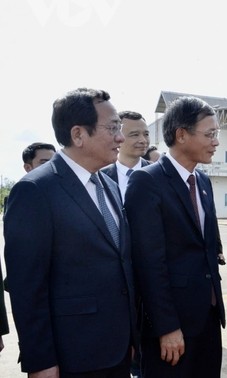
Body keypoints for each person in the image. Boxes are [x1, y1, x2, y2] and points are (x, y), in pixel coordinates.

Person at [4, 88, 137, 376]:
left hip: (118, 350)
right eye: (113, 127)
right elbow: (27, 288)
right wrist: (41, 362)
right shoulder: (35, 191)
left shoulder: (109, 185)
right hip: (72, 357)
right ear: (78, 135)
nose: (121, 137)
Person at [125, 96, 225, 377]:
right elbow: (148, 264)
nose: (216, 142)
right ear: (181, 135)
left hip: (207, 317)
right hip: (172, 326)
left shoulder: (202, 181)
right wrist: (166, 327)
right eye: (210, 134)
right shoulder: (147, 182)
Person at [101, 111, 151, 201]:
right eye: (135, 135)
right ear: (117, 136)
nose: (143, 140)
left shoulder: (159, 174)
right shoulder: (102, 177)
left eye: (146, 134)